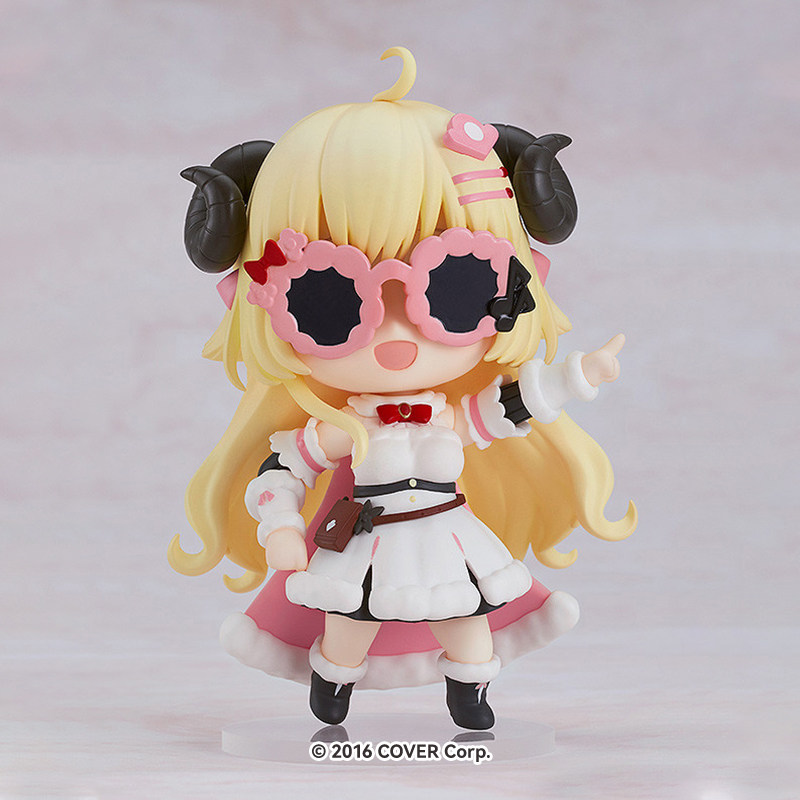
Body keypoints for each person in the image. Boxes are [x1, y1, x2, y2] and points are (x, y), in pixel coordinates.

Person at [170, 47, 636, 730]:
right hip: (367, 540)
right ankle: (333, 685)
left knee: (468, 615)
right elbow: (282, 470)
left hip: (448, 534)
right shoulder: (343, 428)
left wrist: (580, 375)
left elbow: (510, 409)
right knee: (349, 622)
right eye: (326, 300)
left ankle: (469, 694)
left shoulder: (448, 418)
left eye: (455, 287)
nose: (395, 329)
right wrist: (280, 528)